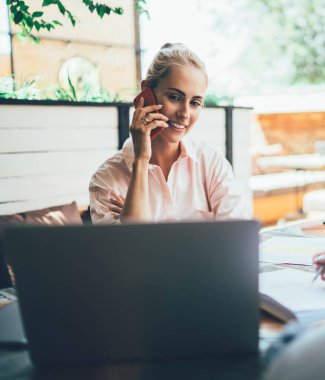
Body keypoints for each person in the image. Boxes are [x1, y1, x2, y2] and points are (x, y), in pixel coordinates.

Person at [89, 43, 248, 224]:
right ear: (146, 92)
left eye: (195, 103)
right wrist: (141, 161)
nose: (185, 114)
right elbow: (130, 248)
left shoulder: (210, 163)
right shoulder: (107, 179)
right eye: (175, 97)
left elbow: (235, 238)